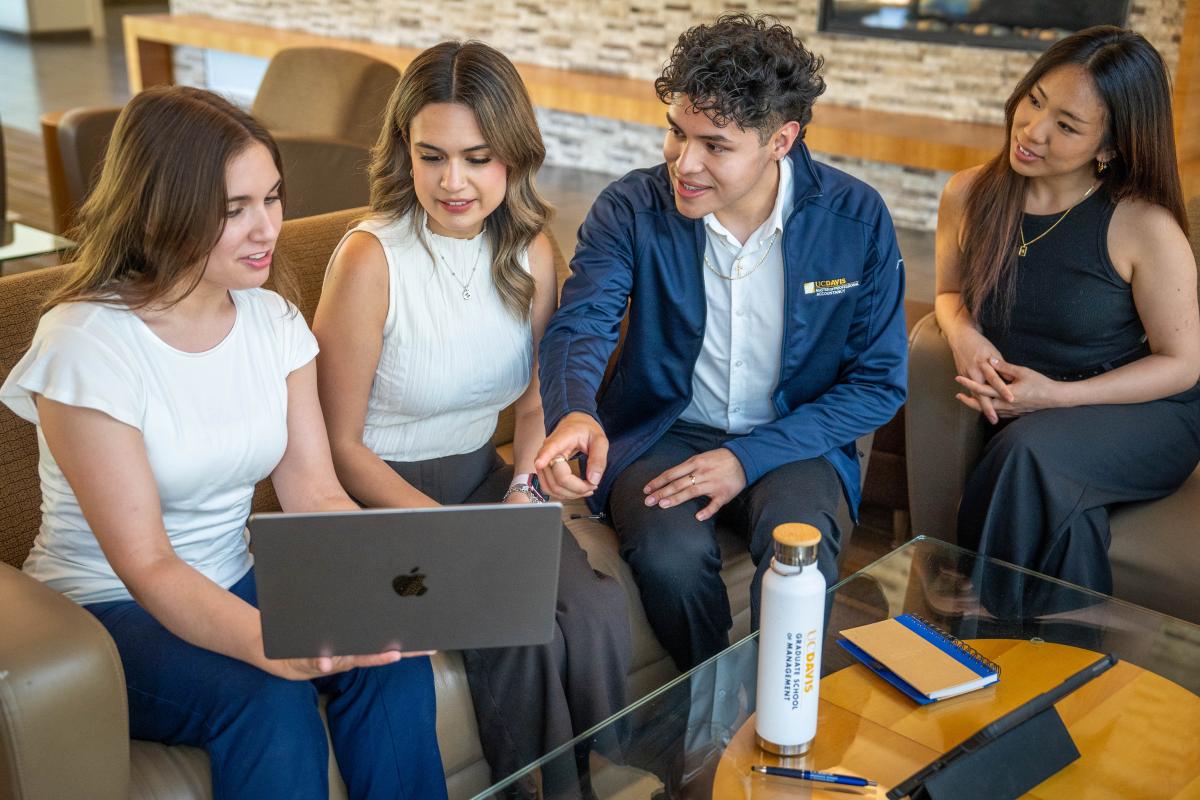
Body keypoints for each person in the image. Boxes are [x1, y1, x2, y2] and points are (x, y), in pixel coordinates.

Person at [0, 87, 446, 799]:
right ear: (161, 209)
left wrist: (383, 590)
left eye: (271, 198)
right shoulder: (86, 345)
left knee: (388, 658)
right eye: (234, 209)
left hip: (232, 570)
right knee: (267, 699)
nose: (266, 227)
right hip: (109, 607)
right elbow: (147, 564)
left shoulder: (272, 321)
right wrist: (273, 644)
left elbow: (316, 494)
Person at [534, 13, 908, 672]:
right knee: (668, 559)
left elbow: (878, 382)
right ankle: (714, 718)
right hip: (667, 432)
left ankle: (784, 720)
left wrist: (750, 457)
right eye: (677, 134)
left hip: (796, 436)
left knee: (799, 552)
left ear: (780, 141)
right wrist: (574, 408)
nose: (685, 162)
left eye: (715, 145)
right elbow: (583, 320)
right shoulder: (630, 208)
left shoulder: (855, 220)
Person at [312, 41, 631, 798]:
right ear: (406, 155)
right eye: (432, 156)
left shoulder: (532, 252)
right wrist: (458, 537)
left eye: (477, 157)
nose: (453, 181)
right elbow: (336, 444)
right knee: (512, 626)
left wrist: (522, 490)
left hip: (482, 480)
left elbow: (531, 404)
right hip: (376, 498)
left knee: (592, 604)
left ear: (514, 157)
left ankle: (619, 767)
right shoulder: (369, 260)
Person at [934, 26, 1200, 613]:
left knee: (1026, 454)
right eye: (1034, 100)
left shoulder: (1142, 225)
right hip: (1035, 417)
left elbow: (1182, 366)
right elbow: (949, 294)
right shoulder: (968, 195)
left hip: (1142, 413)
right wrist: (964, 334)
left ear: (1110, 146)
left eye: (1067, 126)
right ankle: (1069, 670)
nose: (1032, 132)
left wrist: (1055, 397)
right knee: (1064, 510)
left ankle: (975, 620)